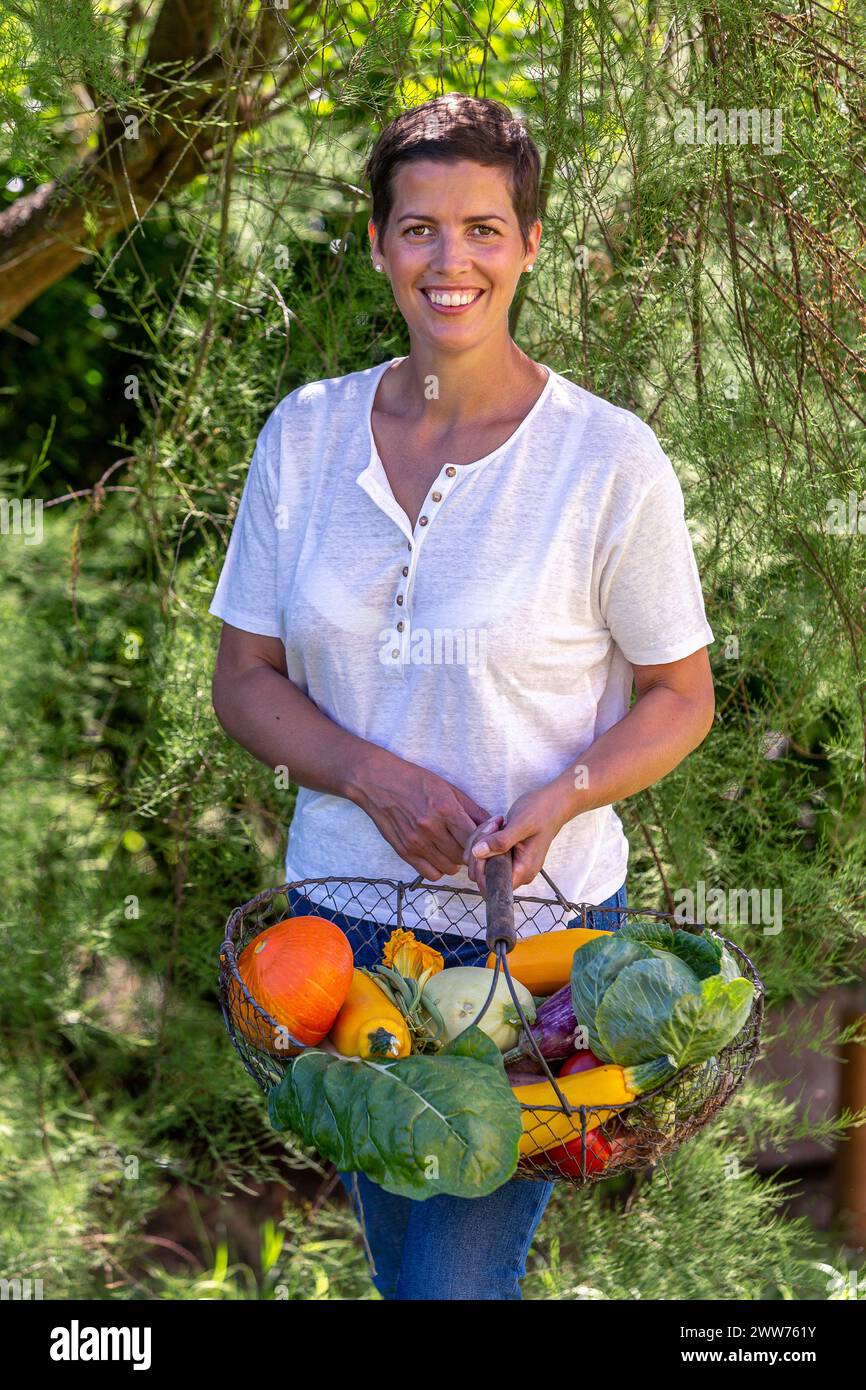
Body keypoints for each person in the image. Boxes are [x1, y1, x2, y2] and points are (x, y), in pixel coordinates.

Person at [209, 93, 716, 1300]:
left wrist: (560, 794)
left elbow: (677, 697)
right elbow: (242, 681)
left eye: (484, 228)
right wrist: (369, 774)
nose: (452, 261)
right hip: (336, 941)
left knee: (447, 1286)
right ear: (377, 243)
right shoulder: (304, 435)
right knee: (410, 1271)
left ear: (528, 244)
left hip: (526, 946)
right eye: (420, 228)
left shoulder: (606, 460)